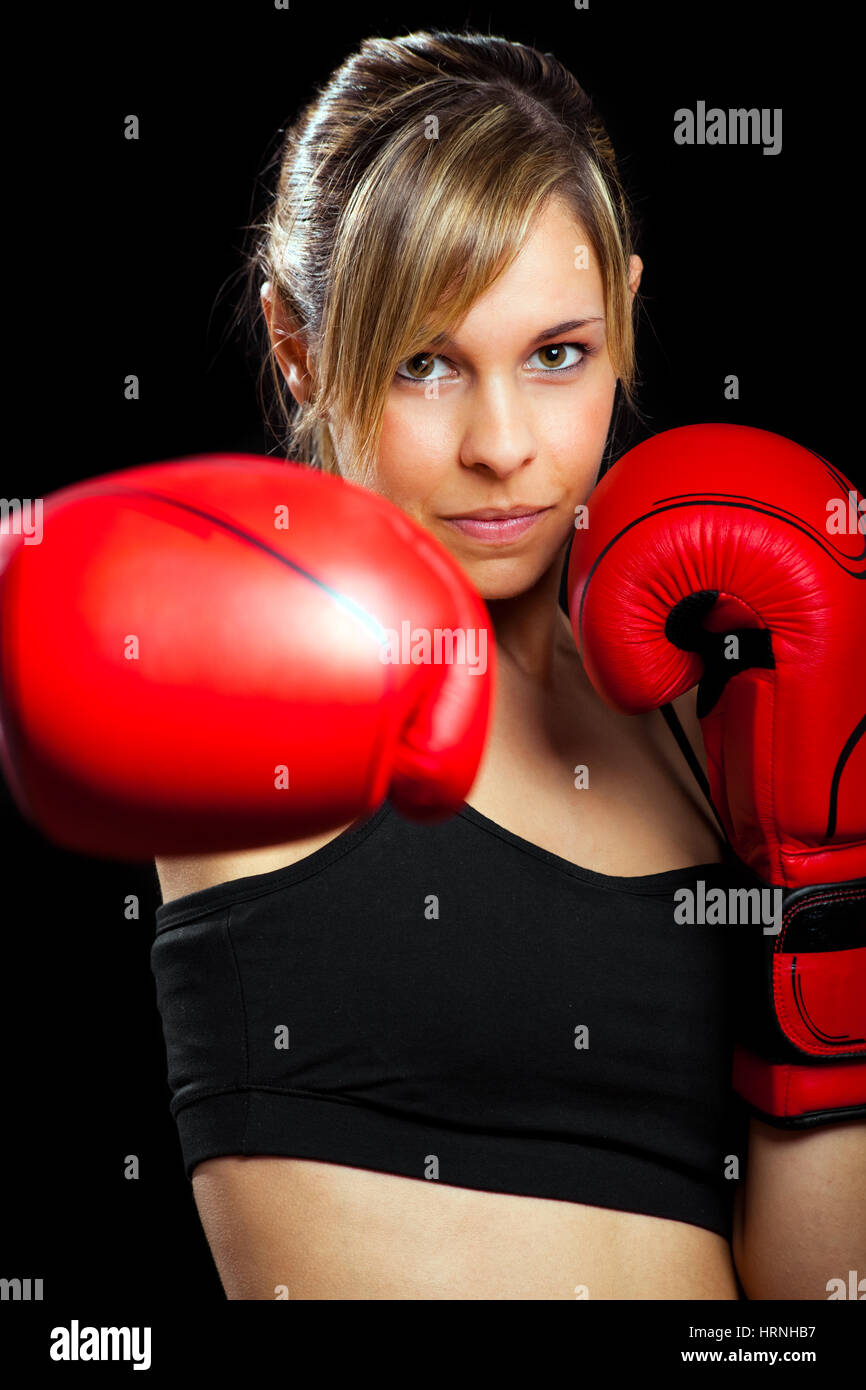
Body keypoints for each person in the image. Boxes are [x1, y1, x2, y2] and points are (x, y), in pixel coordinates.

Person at [150, 30, 762, 1300]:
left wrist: (832, 890)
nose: (501, 445)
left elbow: (817, 1295)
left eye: (556, 355)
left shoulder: (715, 724)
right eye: (423, 362)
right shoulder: (239, 689)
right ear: (296, 346)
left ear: (624, 322)